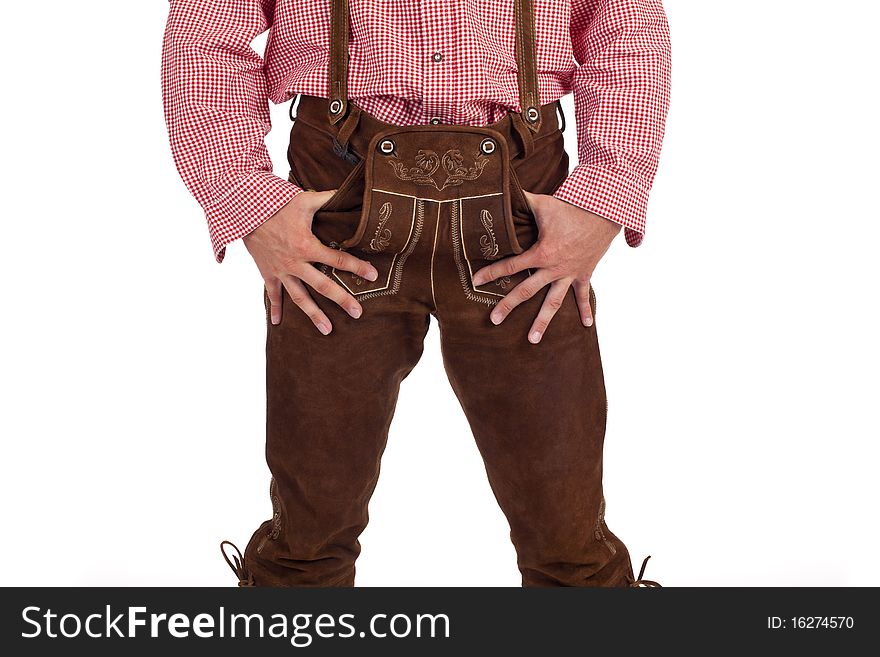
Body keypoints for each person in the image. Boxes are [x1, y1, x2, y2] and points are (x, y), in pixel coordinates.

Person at [161, 0, 671, 587]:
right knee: (310, 527)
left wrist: (607, 193)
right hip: (339, 199)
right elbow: (203, 35)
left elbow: (627, 27)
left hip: (521, 205)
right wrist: (243, 197)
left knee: (566, 527)